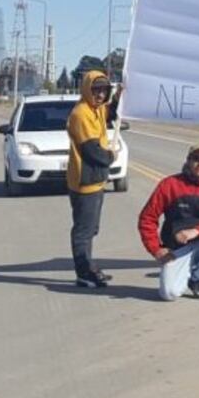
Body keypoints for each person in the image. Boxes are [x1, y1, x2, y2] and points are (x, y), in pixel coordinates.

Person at [138, 143, 199, 300]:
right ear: (188, 160)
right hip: (176, 248)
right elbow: (147, 218)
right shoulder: (170, 184)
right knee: (169, 294)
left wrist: (197, 231)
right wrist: (156, 249)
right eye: (196, 158)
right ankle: (183, 272)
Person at [66, 70, 119, 288]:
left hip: (96, 181)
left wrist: (119, 97)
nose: (100, 95)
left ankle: (89, 267)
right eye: (96, 90)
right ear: (87, 90)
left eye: (104, 90)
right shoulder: (81, 113)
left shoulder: (96, 110)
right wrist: (110, 156)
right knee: (83, 231)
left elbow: (111, 113)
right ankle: (84, 273)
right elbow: (92, 151)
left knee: (91, 228)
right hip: (84, 181)